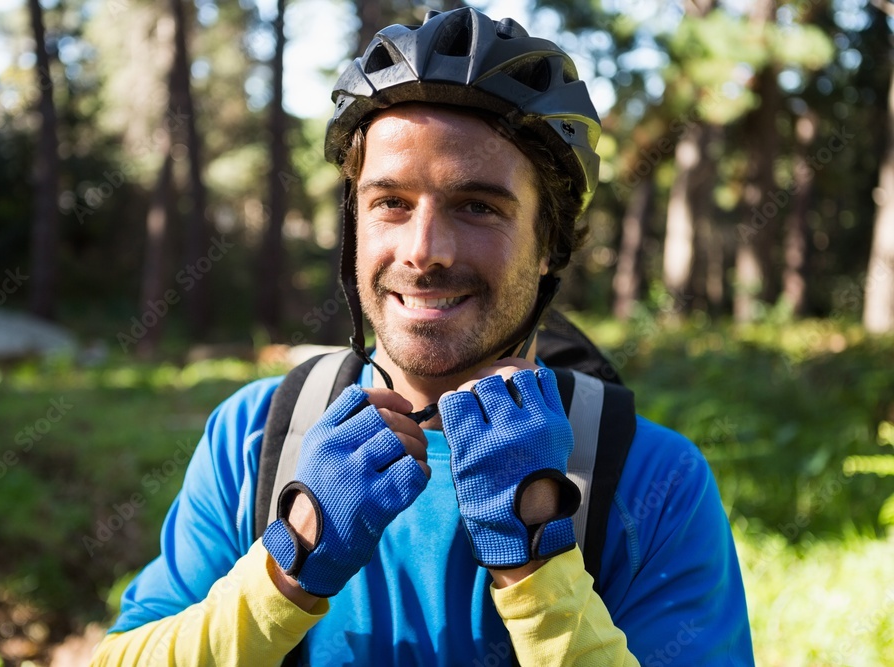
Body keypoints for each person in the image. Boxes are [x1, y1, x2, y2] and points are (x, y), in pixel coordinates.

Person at [92, 8, 754, 666]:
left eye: (478, 206)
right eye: (391, 202)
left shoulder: (654, 478)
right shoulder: (256, 437)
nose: (425, 250)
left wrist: (538, 571)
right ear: (355, 224)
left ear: (549, 242)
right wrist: (287, 565)